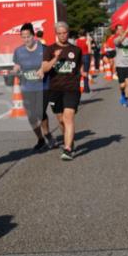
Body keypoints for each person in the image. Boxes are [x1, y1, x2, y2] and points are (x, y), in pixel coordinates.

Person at [40, 22, 83, 161]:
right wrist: (56, 58)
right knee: (61, 120)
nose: (63, 35)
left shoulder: (76, 50)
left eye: (65, 33)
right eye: (60, 33)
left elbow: (79, 68)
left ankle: (68, 149)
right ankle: (69, 140)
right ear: (56, 34)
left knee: (68, 117)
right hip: (55, 89)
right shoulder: (50, 49)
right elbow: (45, 68)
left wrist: (83, 79)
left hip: (72, 88)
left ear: (68, 33)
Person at [12, 23, 54, 151]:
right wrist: (15, 70)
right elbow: (17, 65)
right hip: (27, 87)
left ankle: (47, 134)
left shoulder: (44, 49)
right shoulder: (18, 51)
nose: (26, 39)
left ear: (33, 36)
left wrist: (43, 69)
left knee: (40, 112)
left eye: (28, 36)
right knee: (31, 115)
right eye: (23, 37)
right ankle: (40, 139)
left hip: (43, 86)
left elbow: (50, 64)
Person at [113, 24, 128, 106]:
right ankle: (123, 95)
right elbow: (120, 41)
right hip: (120, 65)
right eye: (119, 29)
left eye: (122, 29)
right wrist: (127, 31)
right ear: (116, 31)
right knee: (122, 85)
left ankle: (126, 100)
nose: (121, 30)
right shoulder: (116, 40)